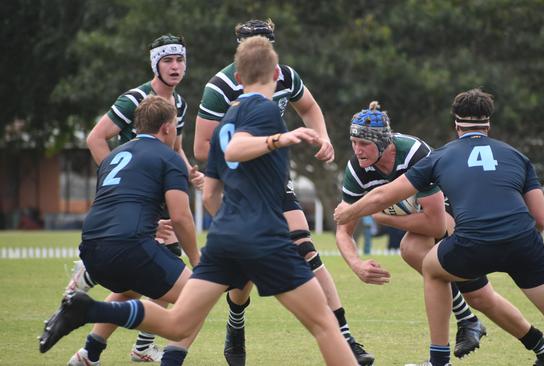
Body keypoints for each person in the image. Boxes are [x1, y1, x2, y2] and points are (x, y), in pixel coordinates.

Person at [40, 36, 358, 366]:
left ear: (238, 79)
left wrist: (230, 226)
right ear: (277, 75)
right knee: (324, 324)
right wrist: (281, 138)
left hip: (224, 239)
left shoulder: (225, 121)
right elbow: (238, 148)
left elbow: (209, 194)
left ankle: (91, 308)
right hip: (264, 236)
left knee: (178, 322)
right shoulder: (263, 110)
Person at [334, 89, 544, 366]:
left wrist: (355, 212)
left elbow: (392, 200)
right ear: (489, 124)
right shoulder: (516, 156)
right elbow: (541, 218)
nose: (357, 150)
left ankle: (440, 359)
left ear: (456, 124)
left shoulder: (438, 156)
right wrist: (521, 243)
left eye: (364, 144)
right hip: (522, 240)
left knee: (430, 267)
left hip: (472, 241)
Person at [193, 19, 373, 365]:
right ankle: (236, 320)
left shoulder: (284, 77)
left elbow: (309, 108)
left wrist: (321, 137)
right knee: (243, 267)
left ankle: (345, 336)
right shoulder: (220, 87)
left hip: (274, 181)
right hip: (240, 185)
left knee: (305, 247)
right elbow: (203, 148)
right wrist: (261, 145)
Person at [64, 33, 204, 364]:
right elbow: (96, 138)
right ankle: (138, 348)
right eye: (167, 60)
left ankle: (95, 351)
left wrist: (188, 171)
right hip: (139, 205)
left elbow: (175, 148)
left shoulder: (179, 103)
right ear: (155, 64)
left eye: (179, 59)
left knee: (138, 283)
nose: (174, 66)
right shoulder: (135, 98)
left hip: (150, 200)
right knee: (184, 286)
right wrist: (124, 188)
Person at [41, 95, 201, 366]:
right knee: (197, 298)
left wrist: (150, 227)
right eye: (175, 124)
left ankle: (87, 355)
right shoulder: (168, 157)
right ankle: (168, 361)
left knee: (129, 288)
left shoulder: (114, 155)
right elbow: (182, 217)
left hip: (91, 249)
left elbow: (116, 204)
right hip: (128, 247)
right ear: (166, 127)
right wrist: (198, 262)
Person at [337, 101, 492, 358]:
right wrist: (356, 264)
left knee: (481, 297)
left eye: (364, 143)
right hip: (426, 222)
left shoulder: (414, 154)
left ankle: (473, 324)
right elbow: (343, 229)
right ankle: (538, 348)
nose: (357, 150)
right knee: (414, 250)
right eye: (353, 142)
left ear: (384, 143)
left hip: (458, 214)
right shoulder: (357, 169)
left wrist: (385, 219)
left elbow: (436, 223)